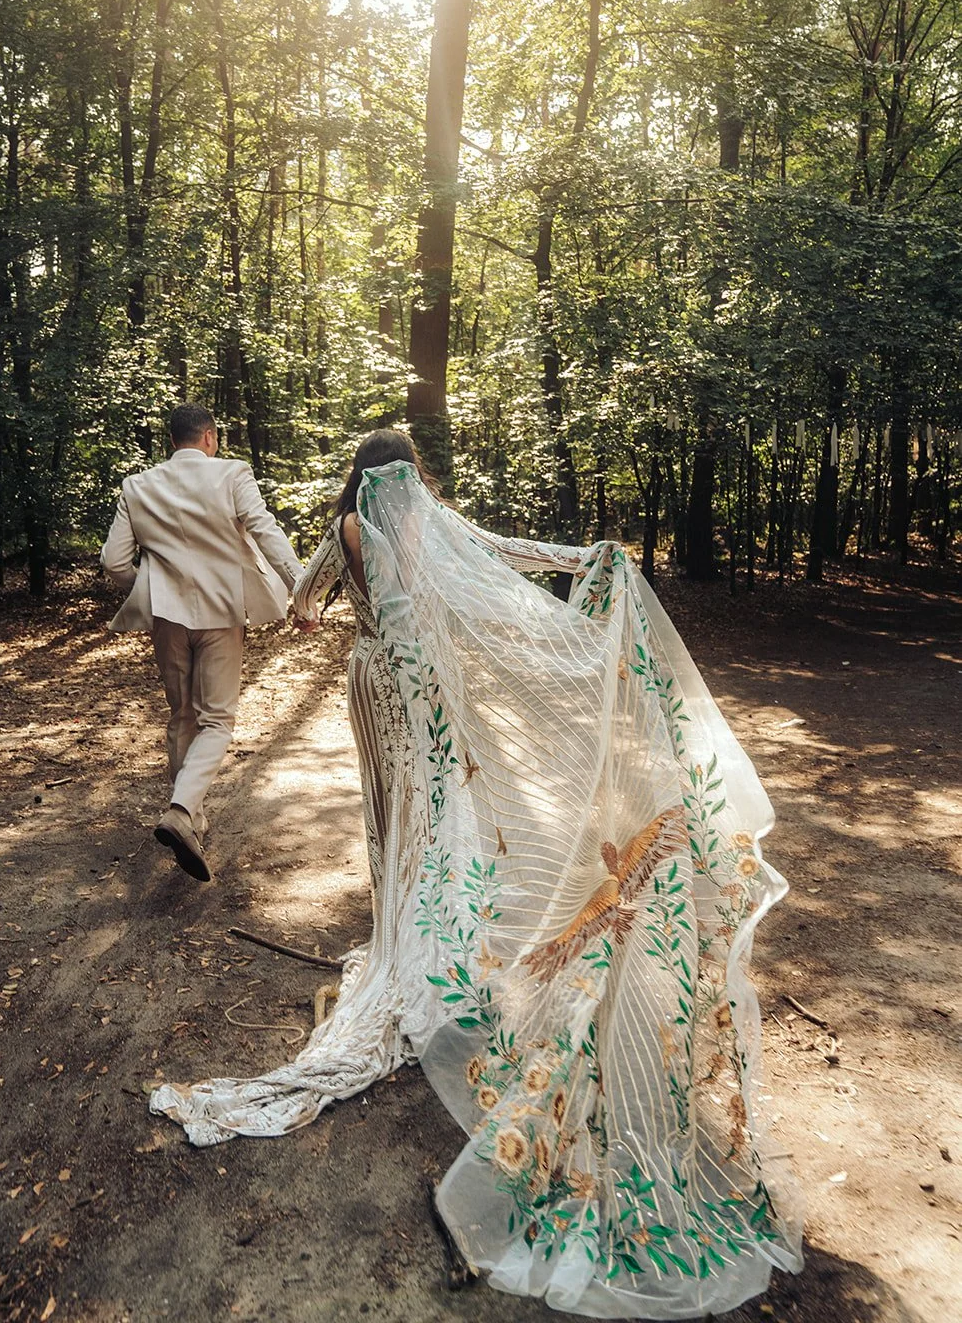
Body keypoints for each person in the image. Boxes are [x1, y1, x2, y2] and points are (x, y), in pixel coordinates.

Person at [152, 432, 803, 1318]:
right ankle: (427, 951)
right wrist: (585, 559)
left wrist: (324, 609)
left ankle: (404, 948)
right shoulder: (416, 517)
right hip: (425, 687)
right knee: (441, 820)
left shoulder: (344, 523)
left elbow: (300, 606)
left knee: (396, 829)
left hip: (369, 680)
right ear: (409, 474)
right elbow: (497, 555)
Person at [100, 404, 301, 882]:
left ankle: (192, 818)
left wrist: (148, 587)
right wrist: (299, 586)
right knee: (217, 720)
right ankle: (181, 810)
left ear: (173, 440)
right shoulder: (233, 474)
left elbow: (113, 563)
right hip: (222, 612)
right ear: (209, 437)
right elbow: (265, 531)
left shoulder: (138, 486)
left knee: (182, 715)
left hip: (167, 617)